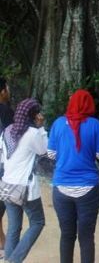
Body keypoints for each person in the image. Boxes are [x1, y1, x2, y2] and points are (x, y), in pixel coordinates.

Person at [47, 89, 99, 263]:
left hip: (61, 188)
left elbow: (50, 154)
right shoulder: (95, 125)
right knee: (86, 237)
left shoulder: (58, 124)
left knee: (66, 235)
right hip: (88, 189)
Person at [0, 98, 47, 263]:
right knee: (38, 222)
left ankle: (9, 260)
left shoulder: (6, 131)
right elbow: (43, 150)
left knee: (14, 228)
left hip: (6, 185)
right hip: (25, 188)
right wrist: (41, 128)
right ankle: (14, 260)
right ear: (34, 116)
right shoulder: (33, 133)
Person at [0, 78, 14, 255]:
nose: (9, 91)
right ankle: (2, 239)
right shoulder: (5, 111)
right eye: (7, 88)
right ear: (2, 91)